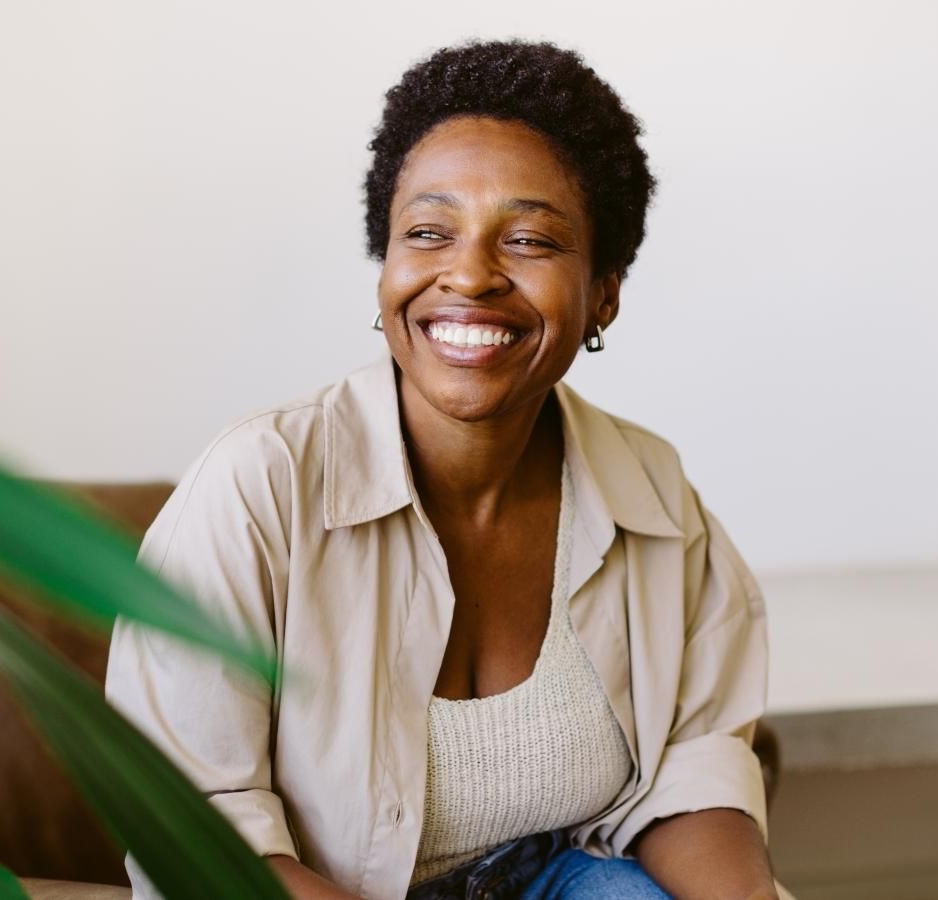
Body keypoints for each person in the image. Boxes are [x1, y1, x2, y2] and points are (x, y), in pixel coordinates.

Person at [106, 39, 790, 900]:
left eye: (531, 238)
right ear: (386, 266)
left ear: (604, 292)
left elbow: (694, 772)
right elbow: (201, 836)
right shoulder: (257, 488)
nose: (467, 273)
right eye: (427, 233)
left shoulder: (649, 489)